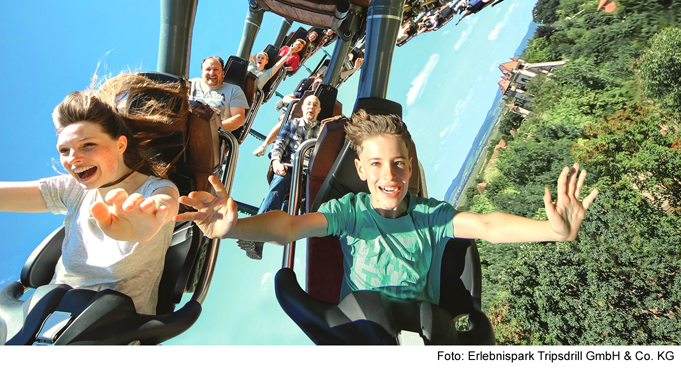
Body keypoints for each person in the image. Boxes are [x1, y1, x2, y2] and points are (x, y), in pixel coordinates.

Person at [177, 110, 598, 305]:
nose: (389, 175)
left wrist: (554, 230)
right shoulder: (350, 212)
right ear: (361, 170)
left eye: (398, 164)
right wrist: (234, 227)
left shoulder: (431, 217)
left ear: (410, 167)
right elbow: (289, 227)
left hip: (420, 330)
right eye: (377, 165)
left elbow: (488, 224)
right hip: (361, 328)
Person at [0, 73, 190, 315]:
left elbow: (164, 204)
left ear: (120, 144)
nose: (73, 159)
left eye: (88, 145)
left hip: (113, 327)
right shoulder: (71, 189)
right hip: (50, 313)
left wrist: (152, 219)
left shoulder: (155, 188)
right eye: (64, 150)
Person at [240, 95, 322, 259]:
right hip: (290, 167)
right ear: (303, 107)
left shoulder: (322, 130)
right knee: (279, 185)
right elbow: (279, 144)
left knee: (290, 209)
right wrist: (276, 162)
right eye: (308, 104)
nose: (311, 107)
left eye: (315, 105)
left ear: (319, 110)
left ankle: (267, 234)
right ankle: (256, 235)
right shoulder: (292, 124)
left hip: (307, 174)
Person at [252, 74, 323, 157]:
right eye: (316, 82)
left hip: (312, 122)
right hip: (295, 117)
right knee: (286, 121)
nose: (318, 84)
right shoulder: (303, 93)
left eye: (320, 83)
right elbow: (286, 98)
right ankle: (265, 145)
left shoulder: (323, 99)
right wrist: (297, 103)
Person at [189, 56, 249, 131]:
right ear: (202, 72)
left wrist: (212, 128)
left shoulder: (233, 90)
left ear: (222, 73)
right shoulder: (192, 83)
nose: (212, 73)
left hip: (212, 134)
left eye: (216, 69)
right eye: (208, 69)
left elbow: (239, 118)